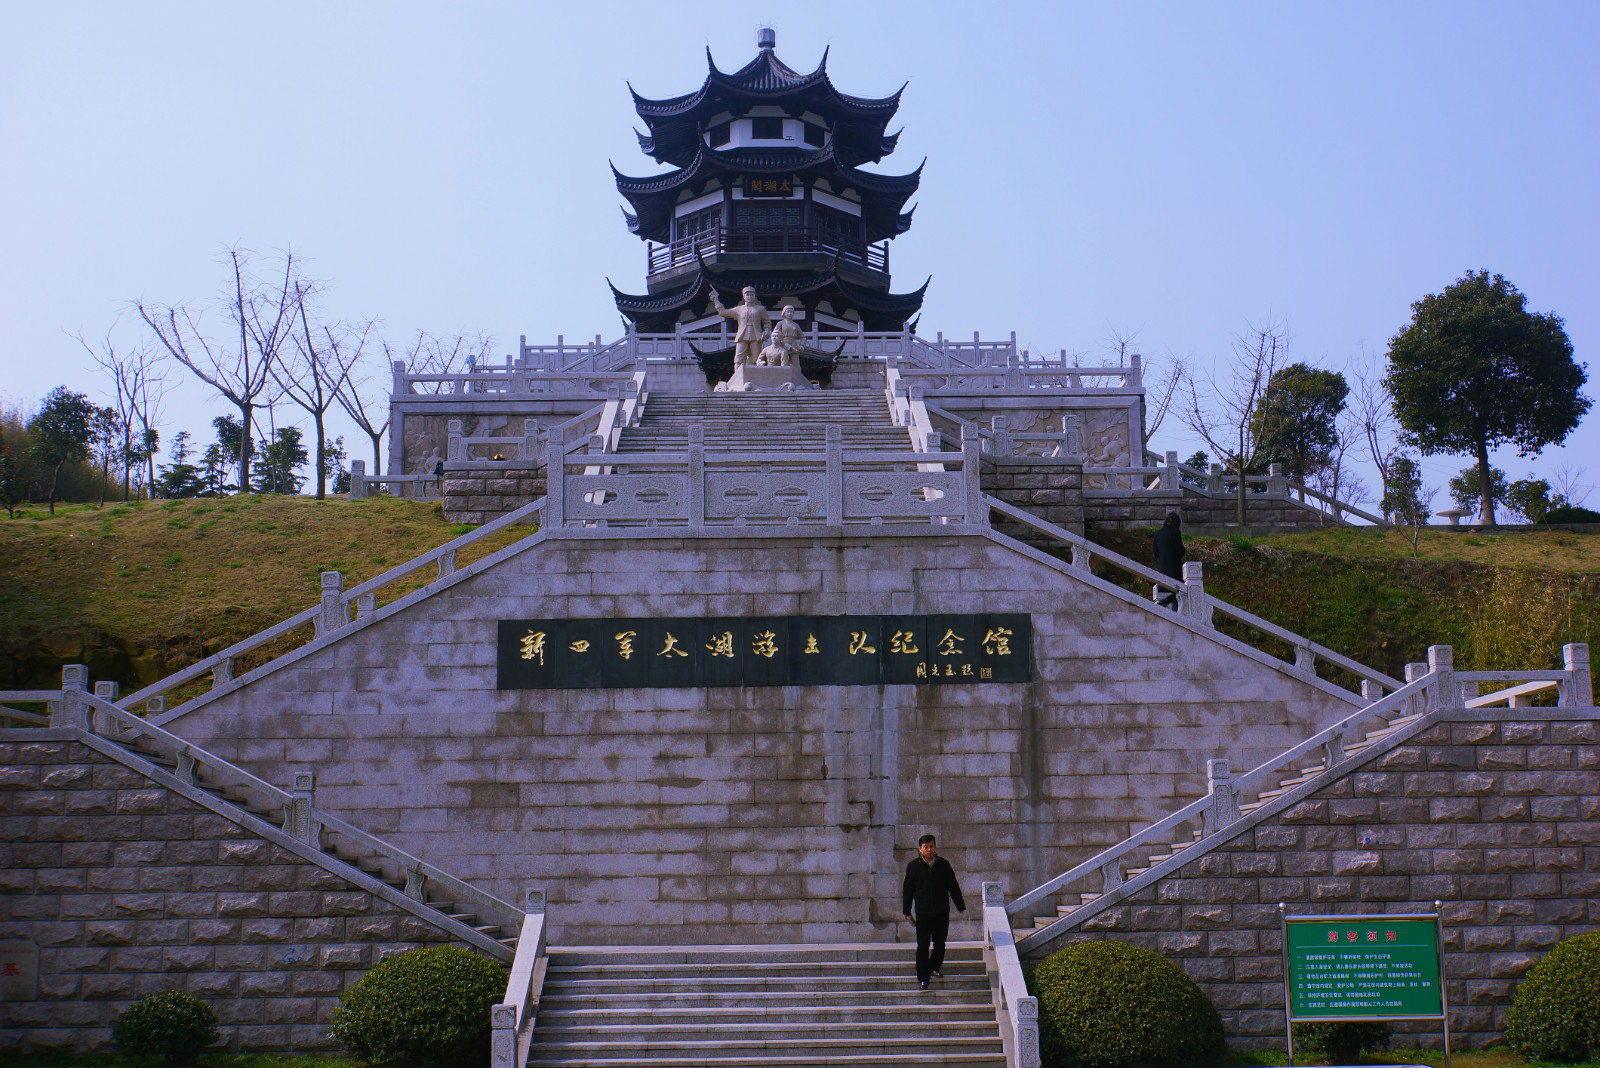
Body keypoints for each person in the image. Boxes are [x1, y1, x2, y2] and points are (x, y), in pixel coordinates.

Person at [901, 834, 966, 989]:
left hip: (941, 911)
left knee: (940, 944)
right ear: (920, 849)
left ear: (935, 847)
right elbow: (907, 890)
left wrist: (960, 905)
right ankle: (923, 977)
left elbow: (953, 886)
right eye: (926, 847)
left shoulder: (944, 864)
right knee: (922, 945)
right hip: (923, 913)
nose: (929, 849)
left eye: (931, 846)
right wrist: (906, 910)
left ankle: (934, 967)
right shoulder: (913, 866)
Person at [1152, 511, 1184, 610]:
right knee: (1180, 591)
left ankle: (1169, 608)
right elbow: (1180, 552)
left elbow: (1155, 554)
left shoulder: (1158, 534)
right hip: (1174, 570)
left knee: (1175, 594)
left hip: (1162, 570)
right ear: (1175, 522)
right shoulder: (1175, 533)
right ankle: (1165, 603)